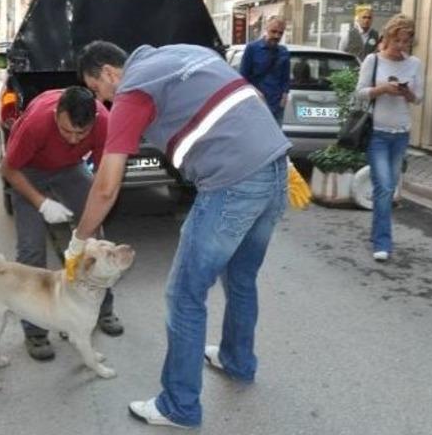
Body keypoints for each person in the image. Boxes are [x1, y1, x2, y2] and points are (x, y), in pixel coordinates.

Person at [70, 41, 290, 429]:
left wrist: (79, 239)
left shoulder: (132, 91)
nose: (100, 99)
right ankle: (237, 360)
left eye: (96, 89)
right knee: (240, 279)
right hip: (275, 171)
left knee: (184, 296)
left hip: (232, 185)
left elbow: (106, 187)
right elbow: (250, 95)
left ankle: (179, 406)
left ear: (108, 72)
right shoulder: (185, 52)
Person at [0, 86, 124, 361]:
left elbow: (106, 178)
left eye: (81, 133)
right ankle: (35, 330)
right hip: (28, 170)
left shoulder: (103, 121)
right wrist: (41, 203)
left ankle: (102, 308)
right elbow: (7, 168)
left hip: (69, 169)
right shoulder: (37, 123)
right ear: (57, 114)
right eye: (67, 131)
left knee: (95, 240)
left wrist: (85, 231)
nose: (73, 138)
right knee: (31, 251)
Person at [355, 14, 423, 263]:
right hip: (378, 134)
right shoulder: (373, 61)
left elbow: (420, 98)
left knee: (388, 189)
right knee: (383, 188)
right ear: (387, 38)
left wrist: (407, 93)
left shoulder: (414, 63)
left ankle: (376, 234)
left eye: (406, 42)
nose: (401, 47)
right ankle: (383, 242)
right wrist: (382, 89)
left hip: (401, 133)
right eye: (397, 42)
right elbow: (359, 93)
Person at [239, 15, 290, 126]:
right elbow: (243, 77)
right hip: (256, 104)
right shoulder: (252, 49)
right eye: (273, 31)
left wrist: (285, 96)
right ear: (266, 29)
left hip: (277, 106)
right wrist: (256, 93)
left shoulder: (284, 52)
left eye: (280, 33)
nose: (277, 36)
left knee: (275, 140)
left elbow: (286, 79)